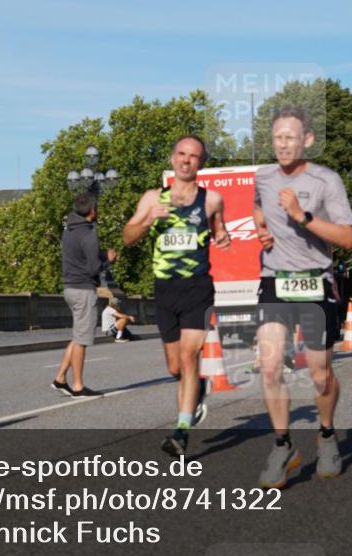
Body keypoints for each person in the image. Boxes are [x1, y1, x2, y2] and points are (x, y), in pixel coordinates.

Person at [252, 106, 352, 488]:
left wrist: (303, 217)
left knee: (320, 373)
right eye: (277, 136)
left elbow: (347, 238)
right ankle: (282, 446)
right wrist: (263, 230)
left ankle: (326, 434)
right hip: (274, 280)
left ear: (307, 139)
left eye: (290, 137)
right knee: (269, 366)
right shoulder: (262, 178)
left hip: (316, 282)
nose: (283, 143)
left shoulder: (327, 180)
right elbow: (257, 210)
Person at [123, 135, 230, 457]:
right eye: (181, 154)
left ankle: (181, 433)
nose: (186, 160)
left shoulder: (212, 200)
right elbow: (128, 238)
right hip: (164, 288)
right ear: (172, 159)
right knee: (174, 367)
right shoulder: (153, 198)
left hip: (197, 286)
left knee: (188, 357)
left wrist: (222, 237)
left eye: (193, 156)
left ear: (201, 163)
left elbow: (220, 229)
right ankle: (196, 388)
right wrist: (147, 219)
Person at [51, 193, 115, 397]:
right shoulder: (89, 235)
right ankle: (78, 386)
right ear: (93, 211)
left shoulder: (69, 231)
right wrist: (109, 259)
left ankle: (60, 379)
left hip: (70, 288)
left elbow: (81, 258)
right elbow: (93, 268)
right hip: (83, 290)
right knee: (82, 340)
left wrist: (100, 255)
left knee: (78, 335)